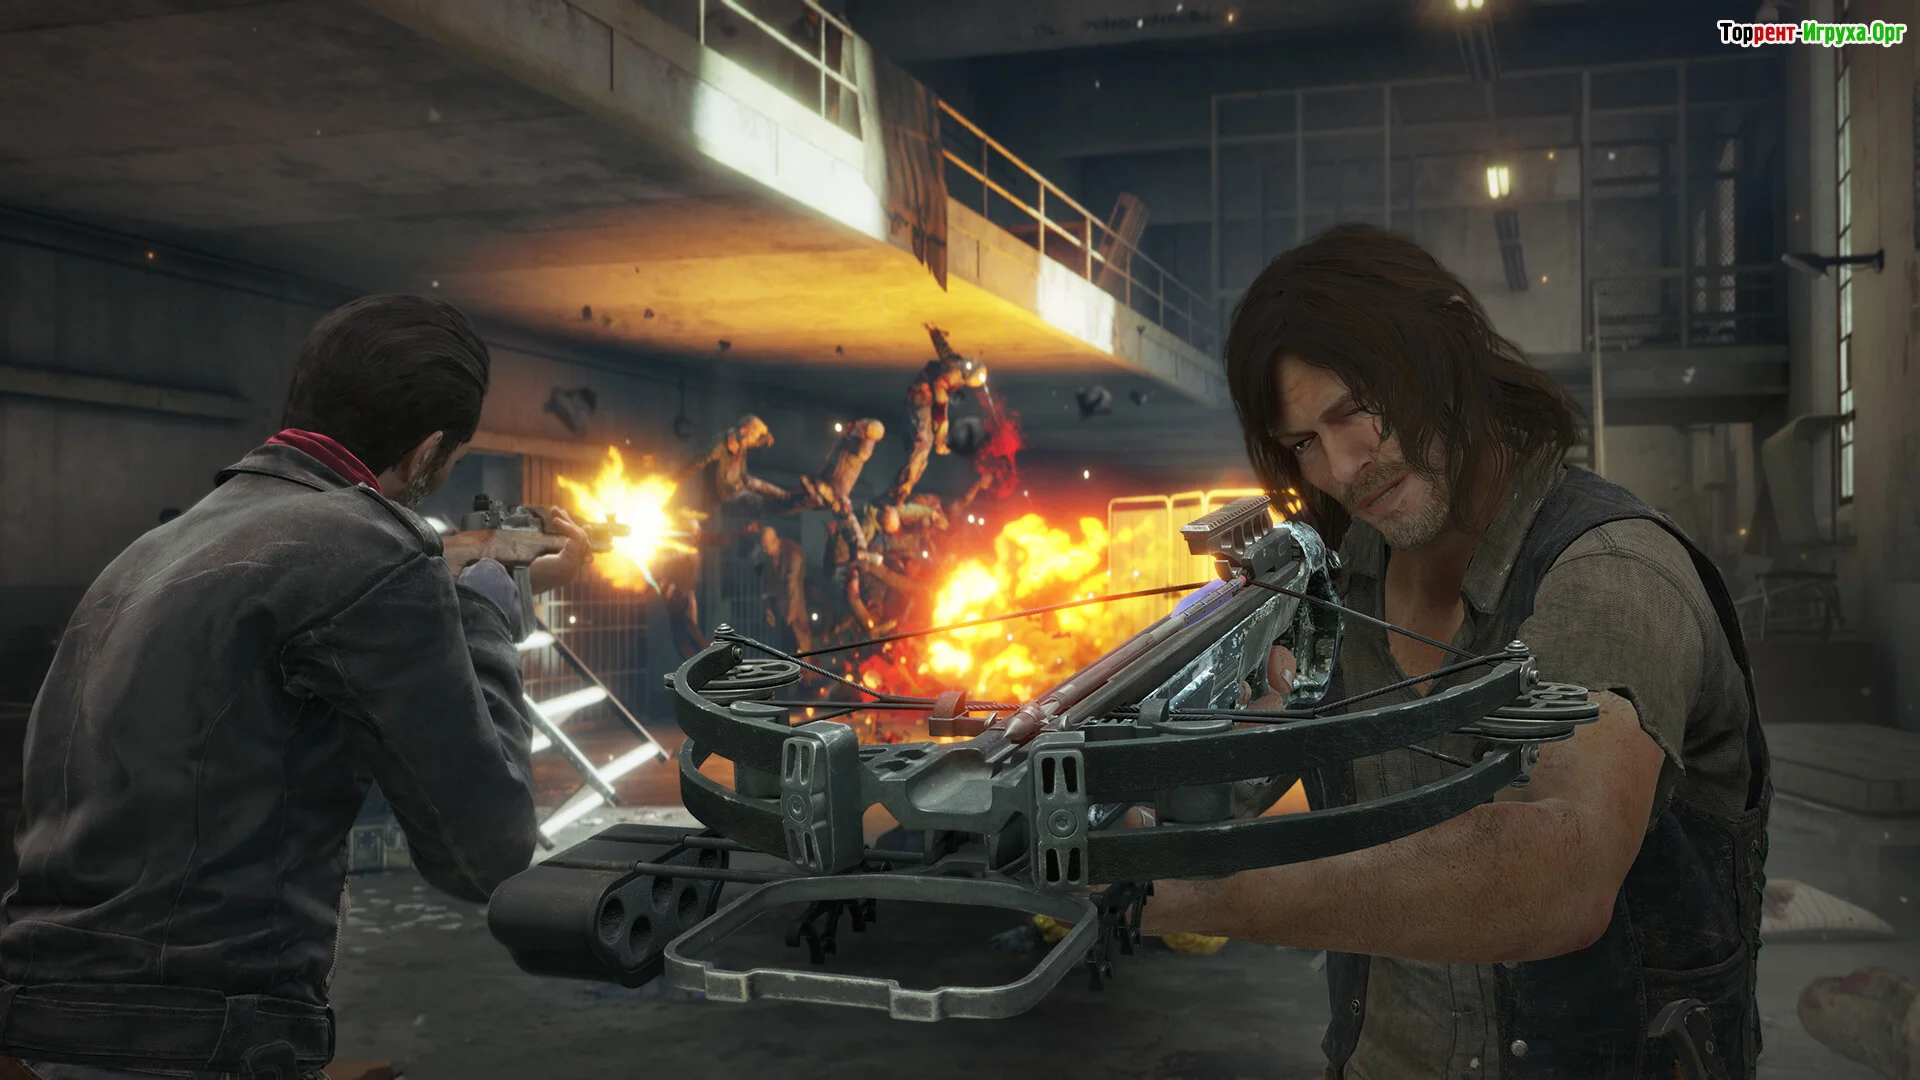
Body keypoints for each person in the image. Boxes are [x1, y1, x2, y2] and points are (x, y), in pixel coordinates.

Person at [1137, 224, 1770, 1080]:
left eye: (1358, 408)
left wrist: (1198, 894)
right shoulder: (1339, 586)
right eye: (1304, 443)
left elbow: (1559, 871)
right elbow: (1233, 775)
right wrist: (1127, 795)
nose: (1344, 465)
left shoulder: (1613, 572)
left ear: (1451, 346)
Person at [0, 295, 593, 1079]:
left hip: (45, 1019)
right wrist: (487, 608)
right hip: (205, 1037)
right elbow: (486, 853)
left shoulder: (148, 553)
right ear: (425, 453)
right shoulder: (370, 548)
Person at [883, 326, 988, 505]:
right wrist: (940, 442)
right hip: (920, 398)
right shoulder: (945, 382)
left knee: (923, 444)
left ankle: (905, 484)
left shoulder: (958, 364)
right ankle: (903, 487)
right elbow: (940, 416)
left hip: (926, 393)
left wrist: (935, 333)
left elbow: (945, 352)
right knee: (923, 443)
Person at [673, 414, 790, 513]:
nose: (754, 441)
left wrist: (766, 437)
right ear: (744, 430)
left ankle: (785, 499)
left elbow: (745, 474)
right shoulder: (721, 446)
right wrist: (675, 481)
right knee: (757, 501)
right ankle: (785, 502)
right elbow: (698, 461)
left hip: (734, 490)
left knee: (759, 497)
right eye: (754, 437)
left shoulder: (742, 445)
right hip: (720, 497)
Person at [752, 525, 813, 655]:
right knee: (784, 647)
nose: (766, 552)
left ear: (776, 542)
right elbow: (767, 585)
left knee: (802, 639)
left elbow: (793, 584)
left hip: (796, 604)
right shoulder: (769, 558)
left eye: (767, 548)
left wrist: (792, 614)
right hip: (781, 609)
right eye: (764, 549)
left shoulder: (793, 552)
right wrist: (768, 608)